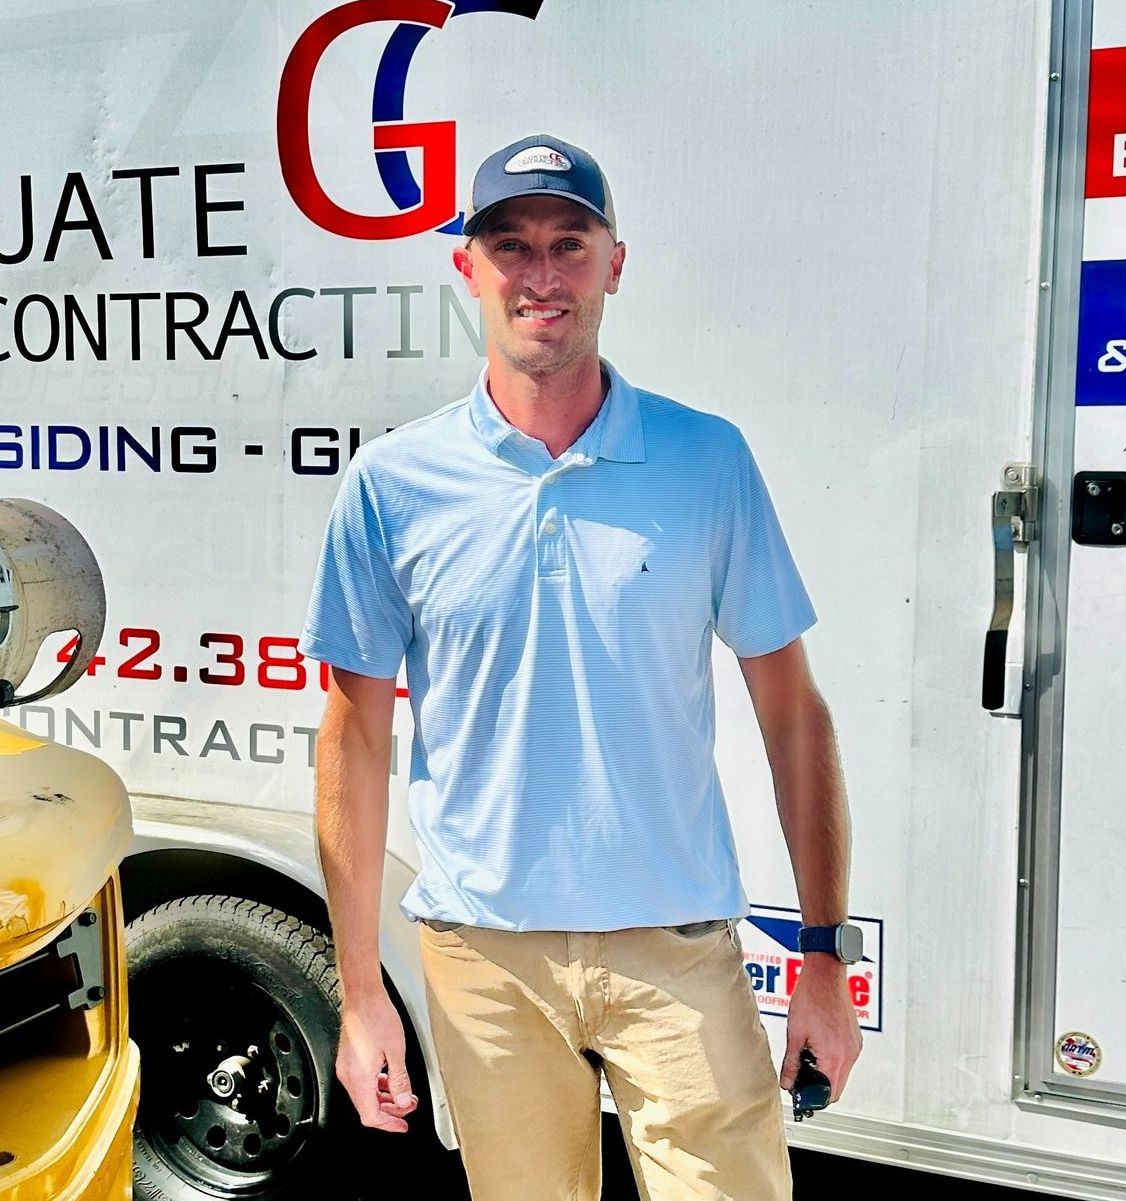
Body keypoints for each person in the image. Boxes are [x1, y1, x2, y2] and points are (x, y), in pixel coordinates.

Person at [299, 133, 862, 1201]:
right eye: (509, 245)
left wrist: (822, 958)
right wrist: (361, 989)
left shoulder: (706, 460)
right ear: (468, 267)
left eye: (569, 242)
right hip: (482, 963)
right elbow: (355, 738)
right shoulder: (391, 484)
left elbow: (793, 718)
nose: (540, 274)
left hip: (678, 950)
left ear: (615, 261)